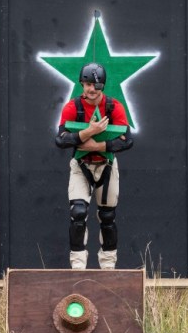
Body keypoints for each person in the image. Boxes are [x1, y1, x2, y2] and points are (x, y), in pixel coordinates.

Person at [54, 63, 134, 269]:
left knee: (108, 216)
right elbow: (61, 140)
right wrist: (89, 131)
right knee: (78, 213)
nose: (91, 89)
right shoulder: (73, 107)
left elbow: (127, 140)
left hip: (106, 165)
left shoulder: (113, 107)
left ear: (103, 86)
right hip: (81, 166)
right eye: (87, 84)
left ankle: (108, 268)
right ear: (81, 83)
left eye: (96, 85)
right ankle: (78, 268)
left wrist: (98, 145)